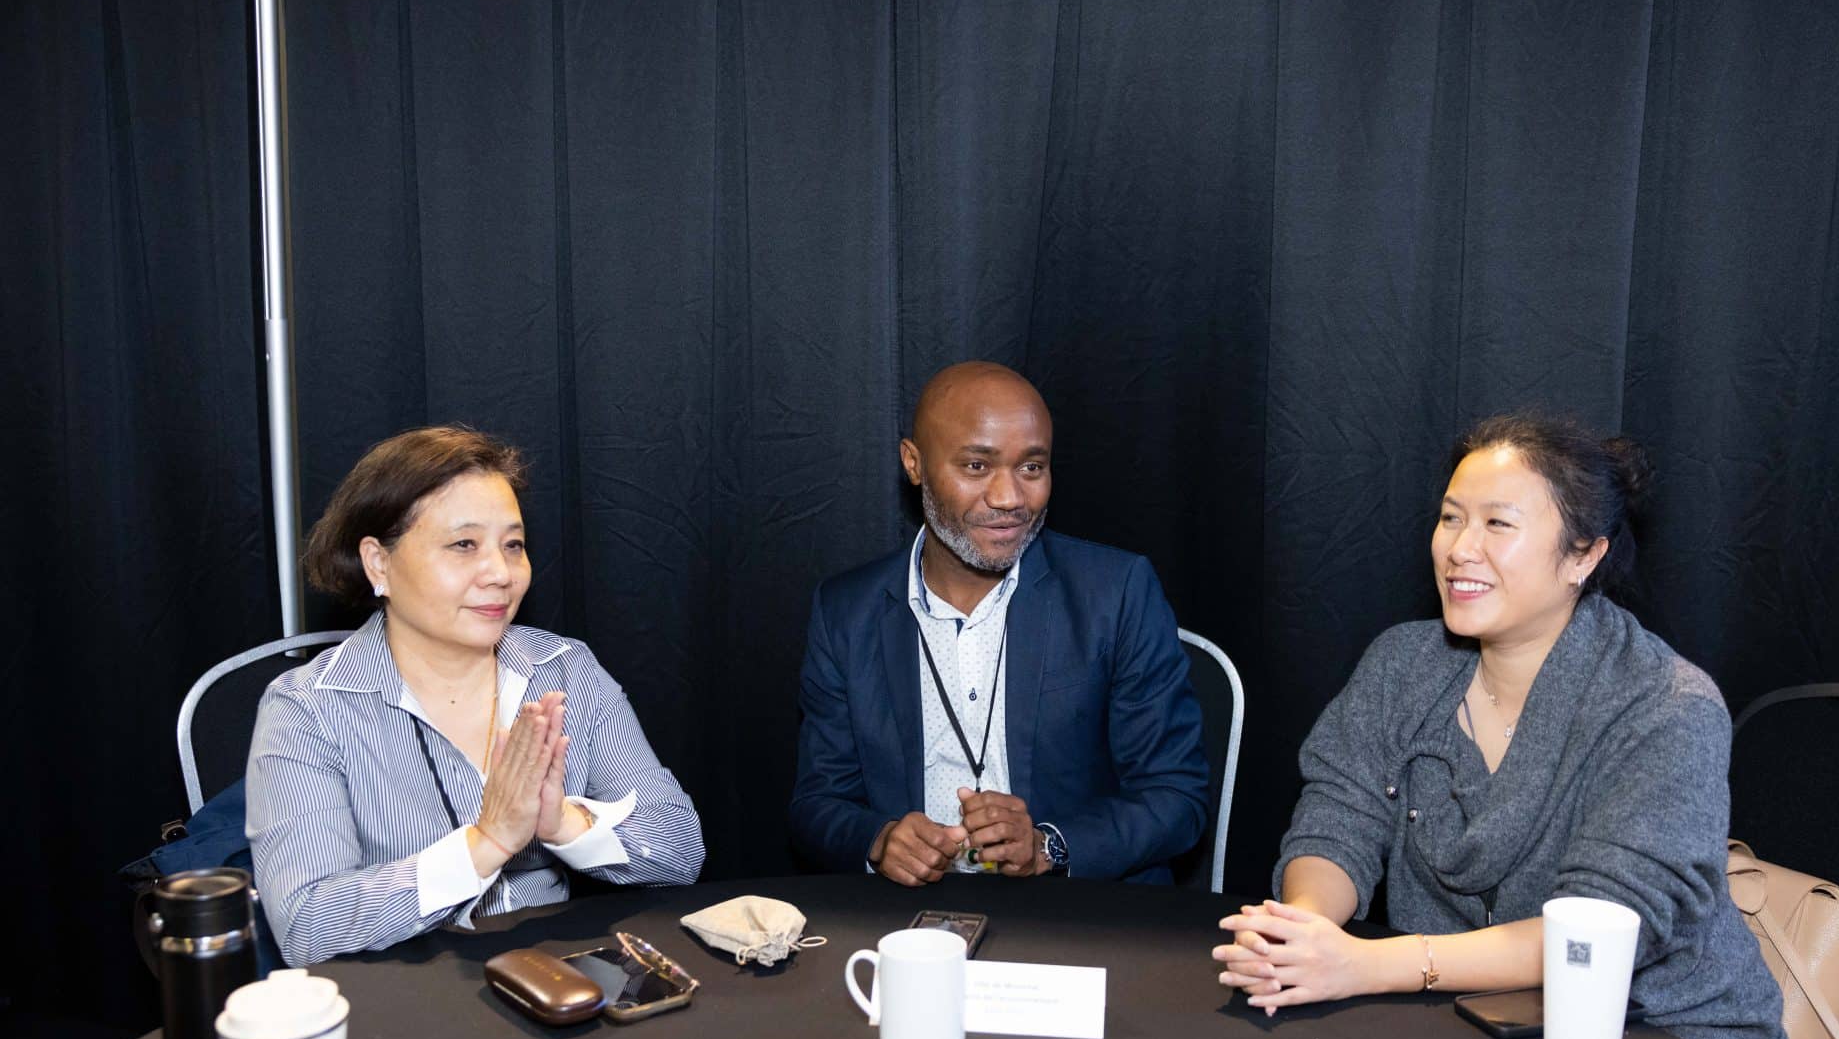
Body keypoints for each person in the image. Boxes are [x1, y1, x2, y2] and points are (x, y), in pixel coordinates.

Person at [1214, 414, 1786, 1039]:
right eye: (1451, 518)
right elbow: (1338, 819)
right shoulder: (1402, 665)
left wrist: (1366, 964)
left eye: (1498, 524)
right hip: (1465, 1025)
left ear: (1583, 556)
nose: (1461, 549)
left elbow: (1594, 933)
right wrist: (1305, 934)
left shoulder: (1666, 706)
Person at [248, 426, 704, 966]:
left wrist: (564, 823)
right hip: (409, 997)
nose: (500, 574)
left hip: (559, 982)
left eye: (513, 546)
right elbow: (307, 925)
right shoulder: (307, 708)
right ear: (378, 563)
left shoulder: (565, 669)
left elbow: (680, 849)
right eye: (464, 545)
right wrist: (485, 844)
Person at [789, 361, 1210, 886]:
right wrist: (879, 840)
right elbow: (817, 803)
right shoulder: (846, 611)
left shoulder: (1115, 593)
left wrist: (1049, 847)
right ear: (914, 463)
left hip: (1075, 911)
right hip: (908, 917)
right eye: (976, 466)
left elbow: (1177, 796)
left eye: (1031, 467)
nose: (1009, 498)